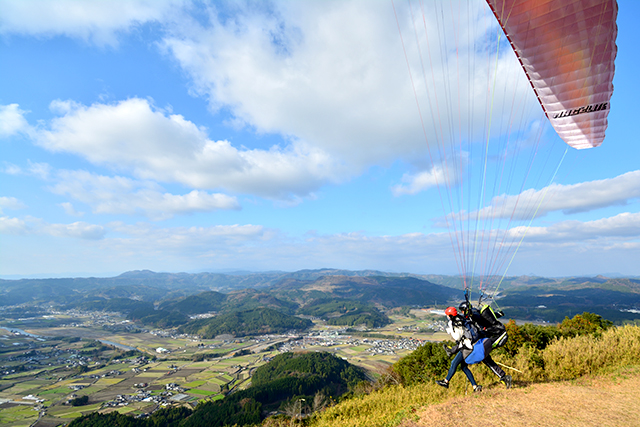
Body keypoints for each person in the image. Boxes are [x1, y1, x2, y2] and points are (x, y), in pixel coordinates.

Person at [458, 301, 512, 389]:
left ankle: (504, 377)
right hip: (487, 339)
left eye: (462, 311)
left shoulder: (474, 315)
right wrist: (498, 314)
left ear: (466, 310)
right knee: (486, 359)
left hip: (497, 337)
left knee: (485, 357)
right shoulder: (474, 312)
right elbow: (486, 318)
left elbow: (479, 318)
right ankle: (504, 377)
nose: (462, 313)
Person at [436, 306, 483, 392]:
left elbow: (457, 337)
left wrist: (451, 330)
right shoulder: (460, 318)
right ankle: (475, 387)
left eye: (447, 315)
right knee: (464, 367)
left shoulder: (456, 323)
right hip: (469, 344)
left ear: (450, 315)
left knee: (454, 363)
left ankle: (446, 382)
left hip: (466, 346)